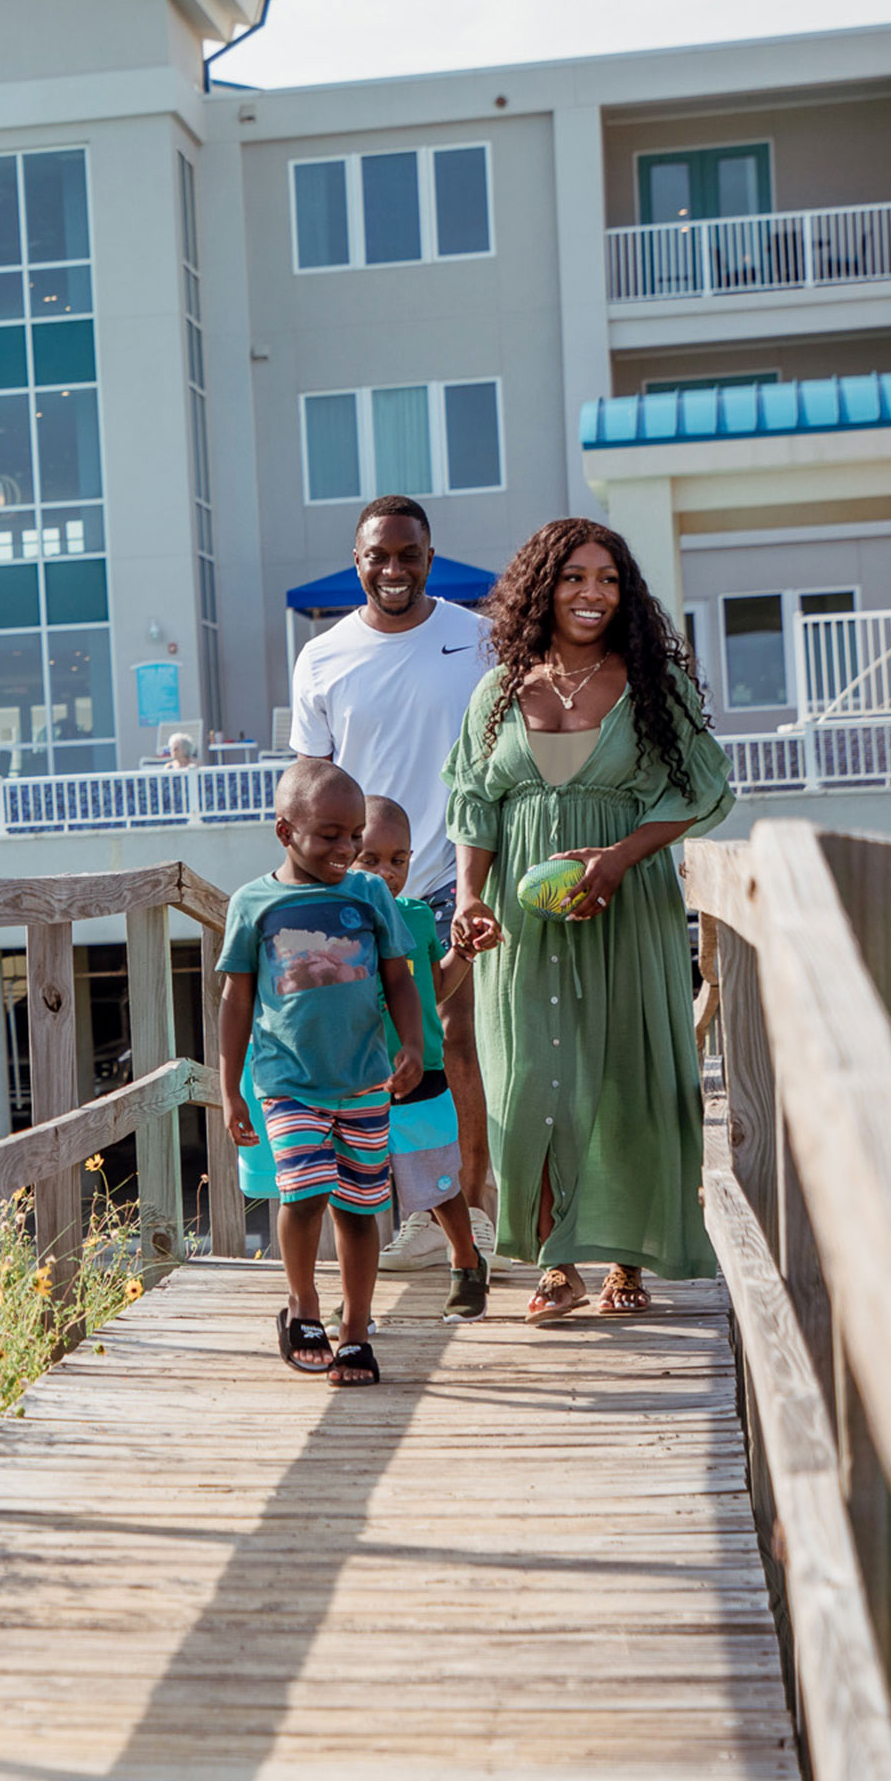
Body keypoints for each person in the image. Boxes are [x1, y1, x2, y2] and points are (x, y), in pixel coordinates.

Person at [444, 517, 732, 1321]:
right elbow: (474, 805)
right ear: (544, 586)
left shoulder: (651, 688)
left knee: (625, 1080)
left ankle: (626, 1264)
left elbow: (701, 790)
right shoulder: (499, 691)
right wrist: (469, 899)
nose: (592, 593)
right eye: (575, 577)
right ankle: (554, 1262)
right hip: (523, 922)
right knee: (531, 1079)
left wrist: (618, 858)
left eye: (608, 579)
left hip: (626, 906)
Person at [290, 495, 497, 1275]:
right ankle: (381, 1217)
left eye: (409, 554)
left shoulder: (477, 640)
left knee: (460, 1047)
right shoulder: (323, 657)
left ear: (429, 559)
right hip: (355, 888)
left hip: (455, 873)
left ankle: (471, 1204)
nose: (394, 569)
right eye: (379, 556)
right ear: (358, 562)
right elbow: (308, 779)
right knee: (359, 1055)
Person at [219, 758, 426, 1386]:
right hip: (288, 1083)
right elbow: (235, 1000)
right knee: (303, 1192)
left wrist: (412, 1044)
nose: (348, 848)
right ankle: (304, 1308)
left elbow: (398, 979)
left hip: (364, 1079)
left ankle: (357, 1329)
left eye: (355, 833)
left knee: (360, 1209)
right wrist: (230, 1088)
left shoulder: (368, 896)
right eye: (330, 834)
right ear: (286, 832)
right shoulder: (254, 904)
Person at [357, 794, 489, 1321]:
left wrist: (464, 953)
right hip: (357, 1078)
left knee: (436, 1179)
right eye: (371, 858)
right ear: (345, 851)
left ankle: (464, 1258)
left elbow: (434, 988)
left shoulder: (414, 916)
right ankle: (357, 1301)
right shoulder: (335, 921)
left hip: (421, 1074)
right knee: (357, 1191)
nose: (388, 873)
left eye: (399, 860)